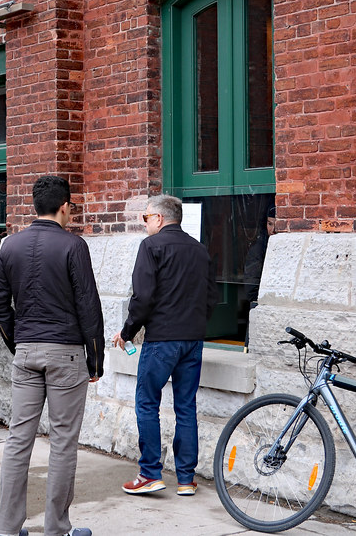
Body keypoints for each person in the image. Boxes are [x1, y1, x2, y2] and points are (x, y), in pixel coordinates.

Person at [0, 175, 104, 536]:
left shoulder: (9, 246)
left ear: (34, 207)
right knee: (63, 441)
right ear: (64, 207)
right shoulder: (74, 246)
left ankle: (7, 529)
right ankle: (56, 528)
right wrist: (95, 359)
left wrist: (17, 342)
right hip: (67, 354)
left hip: (26, 352)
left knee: (18, 439)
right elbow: (88, 306)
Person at [112, 194, 217, 498]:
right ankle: (186, 478)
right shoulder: (199, 250)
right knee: (186, 407)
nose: (145, 224)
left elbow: (142, 298)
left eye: (146, 218)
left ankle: (149, 474)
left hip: (161, 340)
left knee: (147, 403)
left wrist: (128, 331)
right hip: (192, 340)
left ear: (158, 218)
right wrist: (195, 324)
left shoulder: (151, 246)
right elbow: (211, 297)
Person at [243, 205, 276, 304]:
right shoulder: (258, 249)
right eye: (270, 224)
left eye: (276, 224)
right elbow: (251, 283)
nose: (273, 230)